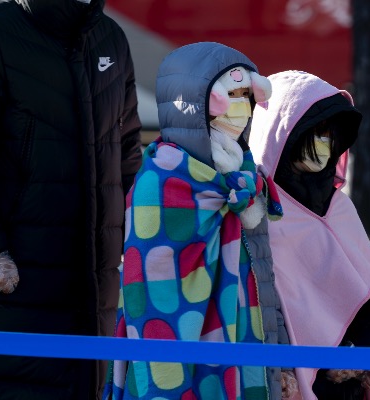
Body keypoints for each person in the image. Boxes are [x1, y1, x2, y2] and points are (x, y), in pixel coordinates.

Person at [0, 0, 142, 399]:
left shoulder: (110, 38)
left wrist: (133, 236)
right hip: (8, 277)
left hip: (91, 282)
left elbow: (125, 152)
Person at [107, 41, 298, 399]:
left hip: (247, 351)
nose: (241, 107)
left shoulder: (246, 179)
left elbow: (263, 279)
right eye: (232, 94)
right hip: (175, 353)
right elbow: (149, 293)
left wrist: (281, 361)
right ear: (193, 102)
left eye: (247, 95)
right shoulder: (160, 184)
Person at [248, 70, 370, 400]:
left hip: (352, 383)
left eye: (329, 135)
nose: (323, 144)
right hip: (290, 381)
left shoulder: (340, 209)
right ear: (281, 135)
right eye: (313, 133)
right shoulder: (257, 213)